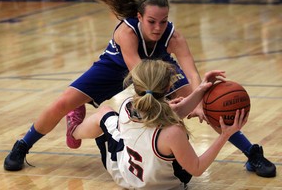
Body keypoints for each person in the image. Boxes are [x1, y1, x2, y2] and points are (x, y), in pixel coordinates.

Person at [4, 0, 276, 178]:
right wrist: (188, 103)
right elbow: (140, 76)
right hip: (118, 67)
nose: (158, 27)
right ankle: (22, 146)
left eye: (163, 21)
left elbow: (191, 70)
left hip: (157, 69)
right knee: (63, 101)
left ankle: (251, 153)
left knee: (214, 106)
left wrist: (200, 99)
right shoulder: (126, 32)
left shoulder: (174, 35)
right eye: (151, 22)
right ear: (139, 17)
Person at [69, 59, 248, 189]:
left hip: (124, 175)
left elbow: (162, 114)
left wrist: (201, 89)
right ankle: (74, 131)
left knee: (105, 112)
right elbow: (197, 168)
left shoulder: (127, 106)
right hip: (168, 186)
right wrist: (225, 135)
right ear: (169, 87)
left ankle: (74, 131)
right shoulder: (173, 132)